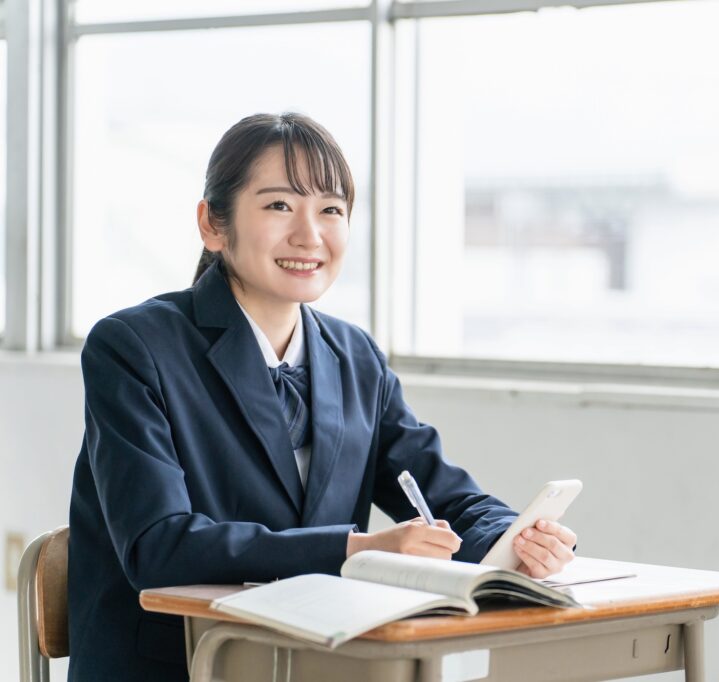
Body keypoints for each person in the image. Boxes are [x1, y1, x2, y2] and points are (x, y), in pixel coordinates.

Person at [67, 112, 577, 682]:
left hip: (314, 662)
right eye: (280, 206)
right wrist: (356, 549)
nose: (310, 235)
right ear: (213, 224)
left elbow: (448, 497)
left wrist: (516, 540)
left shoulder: (355, 356)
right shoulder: (133, 346)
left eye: (331, 210)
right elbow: (157, 547)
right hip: (177, 664)